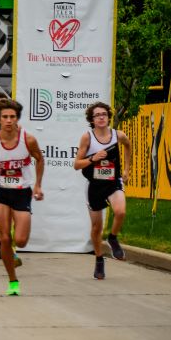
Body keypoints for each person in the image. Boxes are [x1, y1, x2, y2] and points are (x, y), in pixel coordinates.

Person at [0, 99, 45, 296]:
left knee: (21, 240)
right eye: (5, 117)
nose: (9, 120)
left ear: (17, 119)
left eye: (12, 117)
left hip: (22, 190)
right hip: (1, 192)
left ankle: (15, 251)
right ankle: (13, 281)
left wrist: (38, 185)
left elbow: (40, 159)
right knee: (5, 237)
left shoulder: (28, 139)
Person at [74, 101, 133, 280]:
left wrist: (127, 170)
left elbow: (128, 146)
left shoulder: (118, 135)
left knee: (120, 211)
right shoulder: (87, 138)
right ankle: (99, 259)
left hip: (113, 181)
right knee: (96, 227)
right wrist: (93, 158)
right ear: (92, 120)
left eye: (104, 114)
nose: (101, 117)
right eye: (97, 115)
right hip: (95, 185)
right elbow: (77, 164)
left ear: (108, 116)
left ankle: (113, 238)